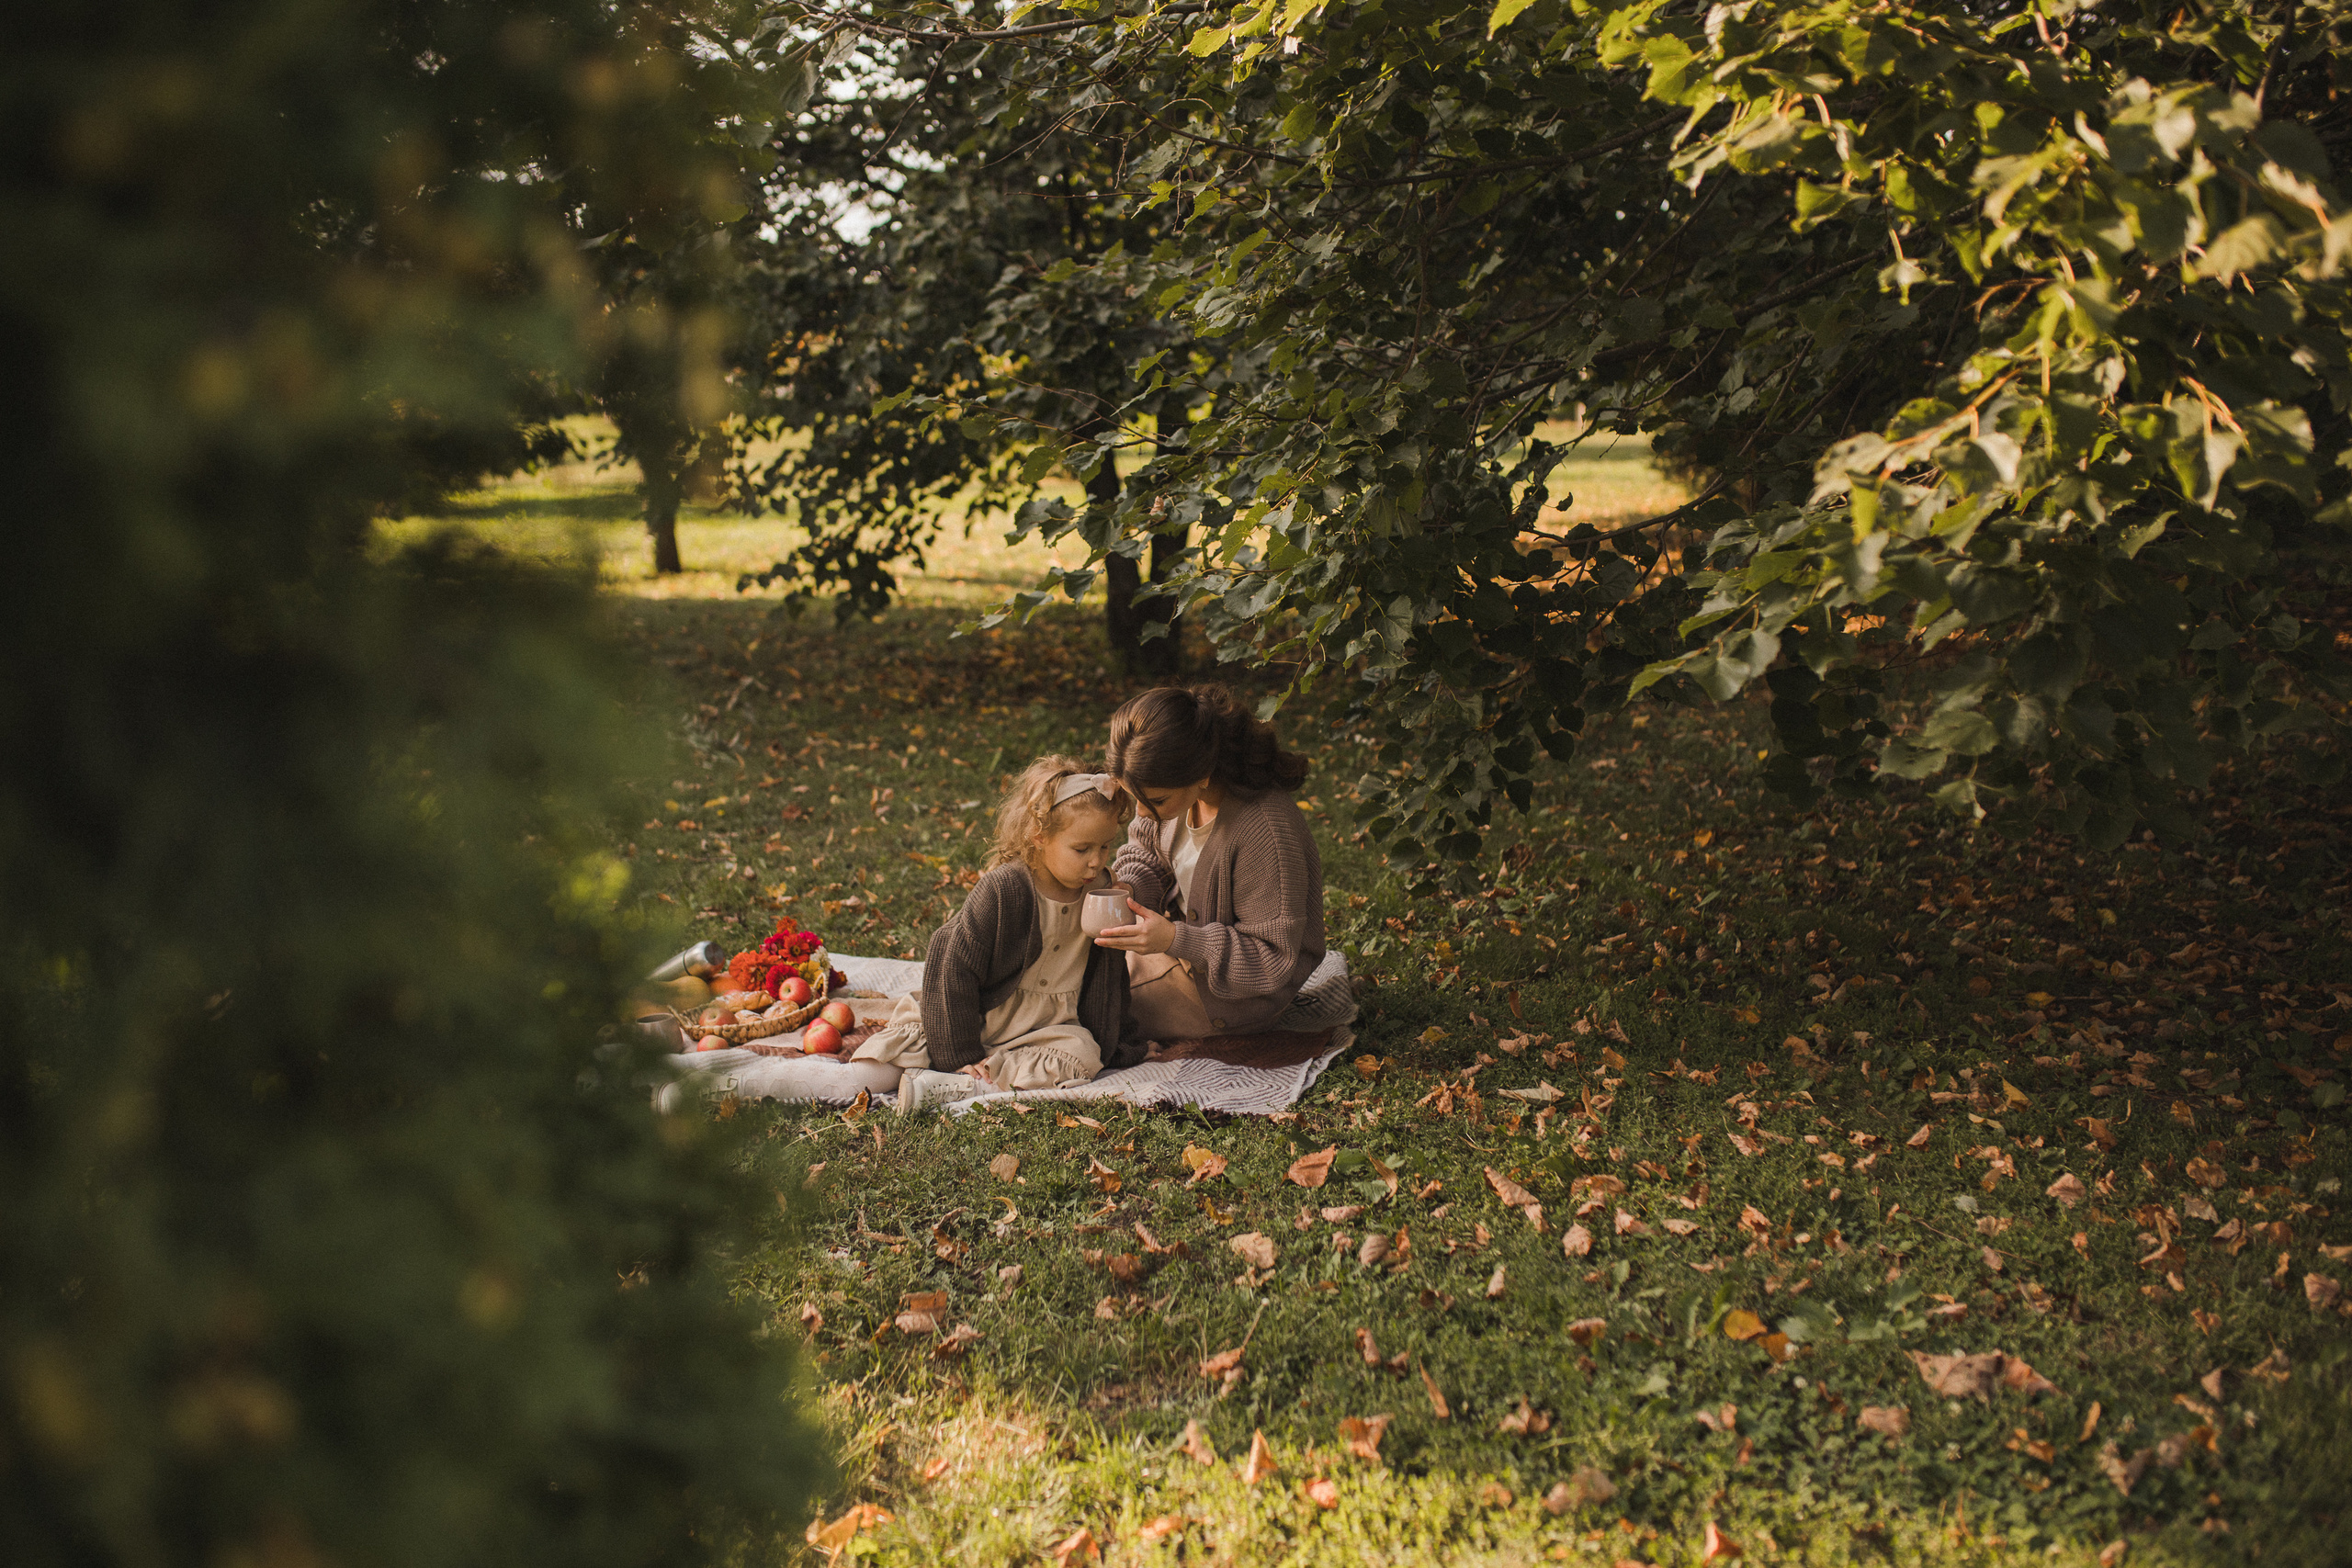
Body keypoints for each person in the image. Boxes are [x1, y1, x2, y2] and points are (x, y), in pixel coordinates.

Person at [853, 756, 1147, 1111]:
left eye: (1104, 846)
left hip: (1045, 1027)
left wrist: (1123, 1039)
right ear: (1039, 837)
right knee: (900, 1053)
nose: (1095, 861)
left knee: (1083, 1054)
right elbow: (952, 963)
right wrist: (959, 1052)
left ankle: (963, 1090)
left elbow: (1110, 975)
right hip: (981, 1014)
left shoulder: (1101, 892)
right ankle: (836, 1083)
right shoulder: (1005, 890)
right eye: (1081, 849)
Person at [1093, 684, 1325, 1043]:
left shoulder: (1264, 830)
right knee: (1061, 969)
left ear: (1203, 774)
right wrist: (1128, 890)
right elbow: (1145, 856)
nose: (1140, 812)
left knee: (1085, 1006)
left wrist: (1174, 939)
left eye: (1154, 799)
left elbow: (1271, 959)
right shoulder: (1169, 794)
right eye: (1131, 795)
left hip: (1234, 998)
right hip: (1179, 955)